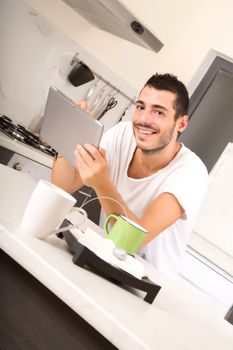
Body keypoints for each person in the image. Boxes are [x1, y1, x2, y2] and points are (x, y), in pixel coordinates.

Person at [52, 73, 208, 277]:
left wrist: (102, 183)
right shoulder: (122, 133)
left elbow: (129, 241)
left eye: (159, 112)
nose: (144, 119)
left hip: (144, 282)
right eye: (141, 107)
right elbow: (61, 187)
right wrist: (70, 134)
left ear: (181, 124)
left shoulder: (191, 173)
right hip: (104, 258)